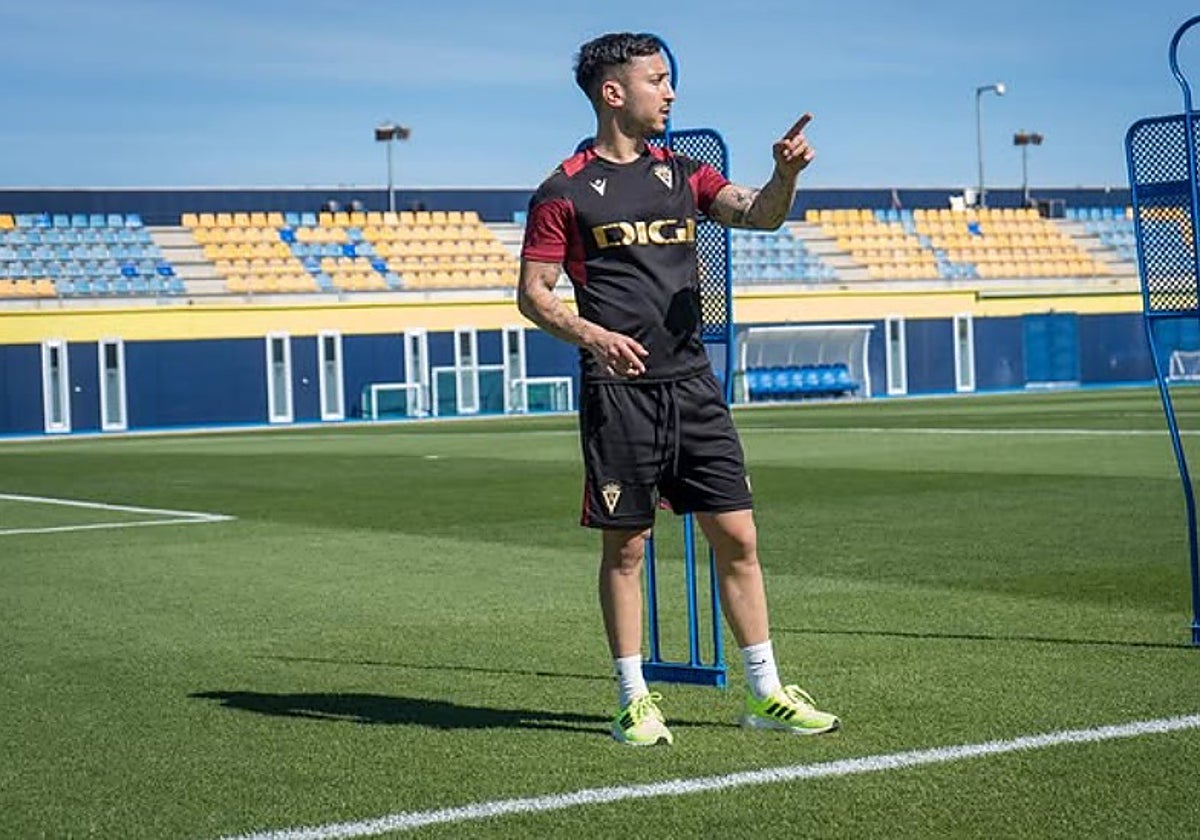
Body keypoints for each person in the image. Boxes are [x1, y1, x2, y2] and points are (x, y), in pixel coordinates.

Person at [517, 31, 840, 746]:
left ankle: (765, 693)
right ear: (613, 92)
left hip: (694, 387)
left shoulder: (684, 174)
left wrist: (784, 174)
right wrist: (595, 337)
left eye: (669, 80)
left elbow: (759, 213)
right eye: (657, 80)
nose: (669, 92)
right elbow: (534, 295)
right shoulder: (563, 190)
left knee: (738, 536)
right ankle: (633, 698)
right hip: (618, 393)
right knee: (626, 550)